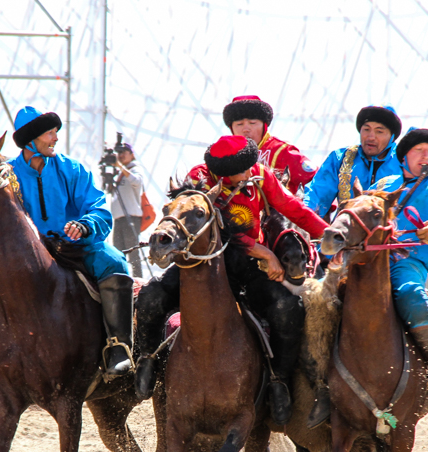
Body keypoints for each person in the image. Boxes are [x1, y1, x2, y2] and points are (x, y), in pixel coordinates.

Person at [133, 135, 327, 425]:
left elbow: (293, 209)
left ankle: (279, 381)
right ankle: (146, 360)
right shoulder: (199, 180)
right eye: (245, 169)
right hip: (199, 268)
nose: (252, 171)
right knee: (150, 296)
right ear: (223, 174)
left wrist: (332, 235)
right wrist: (263, 252)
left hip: (247, 269)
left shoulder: (260, 175)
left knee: (288, 310)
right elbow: (220, 227)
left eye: (252, 165)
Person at [0, 106, 135, 380]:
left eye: (55, 132)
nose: (56, 138)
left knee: (115, 262)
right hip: (23, 259)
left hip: (76, 248)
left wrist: (85, 226)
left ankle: (118, 347)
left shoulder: (72, 169)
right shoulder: (4, 177)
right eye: (50, 133)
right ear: (31, 140)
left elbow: (98, 208)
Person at [313, 128, 428, 424]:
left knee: (408, 293)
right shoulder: (384, 184)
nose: (426, 156)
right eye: (419, 151)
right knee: (325, 300)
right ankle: (319, 385)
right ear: (403, 157)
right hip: (366, 261)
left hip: (408, 264)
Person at [306, 105, 403, 221]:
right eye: (366, 129)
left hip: (390, 235)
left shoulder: (404, 163)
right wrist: (303, 219)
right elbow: (316, 195)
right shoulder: (340, 158)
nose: (371, 137)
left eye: (379, 131)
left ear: (392, 137)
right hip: (342, 233)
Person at [223, 95, 317, 195]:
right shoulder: (223, 156)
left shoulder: (282, 152)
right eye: (239, 124)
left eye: (252, 123)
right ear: (231, 128)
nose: (246, 129)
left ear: (265, 125)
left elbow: (317, 181)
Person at [110, 141, 145, 278]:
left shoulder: (135, 169)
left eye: (124, 152)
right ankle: (121, 278)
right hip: (119, 218)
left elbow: (137, 182)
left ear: (132, 154)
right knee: (118, 252)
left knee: (133, 253)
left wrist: (120, 167)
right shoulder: (119, 173)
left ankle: (138, 279)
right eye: (119, 153)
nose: (121, 156)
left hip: (131, 217)